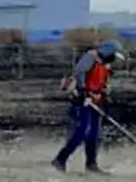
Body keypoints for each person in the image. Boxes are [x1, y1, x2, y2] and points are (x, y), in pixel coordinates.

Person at [52, 41, 126, 173]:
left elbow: (102, 82)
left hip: (96, 103)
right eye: (114, 56)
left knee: (95, 135)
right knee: (81, 133)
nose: (114, 60)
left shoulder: (105, 65)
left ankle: (91, 164)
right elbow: (79, 73)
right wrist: (84, 92)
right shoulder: (90, 58)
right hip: (82, 102)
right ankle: (60, 160)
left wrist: (104, 93)